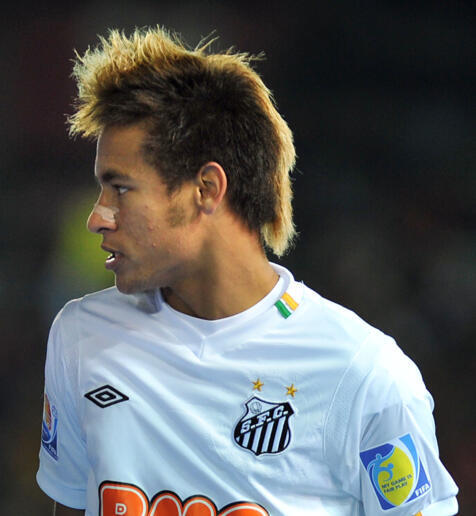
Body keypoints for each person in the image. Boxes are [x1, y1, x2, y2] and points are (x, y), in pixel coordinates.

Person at [36, 27, 458, 516]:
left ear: (206, 189)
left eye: (121, 188)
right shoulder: (81, 337)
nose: (97, 216)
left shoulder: (365, 376)